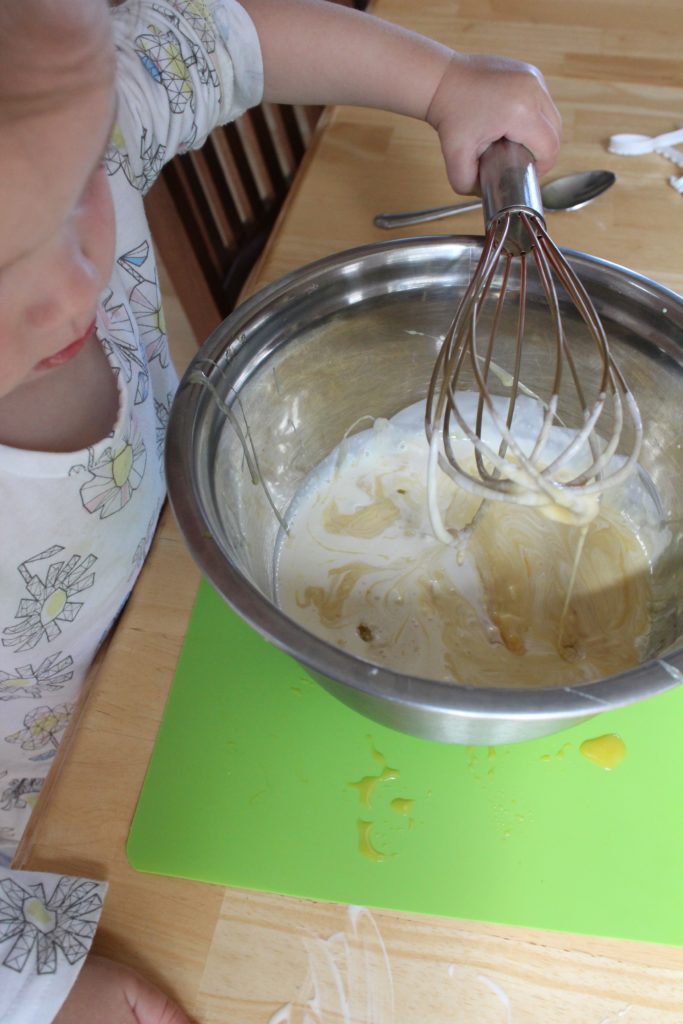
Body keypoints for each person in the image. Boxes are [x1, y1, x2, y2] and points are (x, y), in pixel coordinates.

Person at [0, 0, 560, 1019]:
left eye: (82, 184)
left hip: (181, 602)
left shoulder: (70, 110)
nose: (73, 286)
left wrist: (439, 83)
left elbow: (220, 44)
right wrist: (39, 982)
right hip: (47, 822)